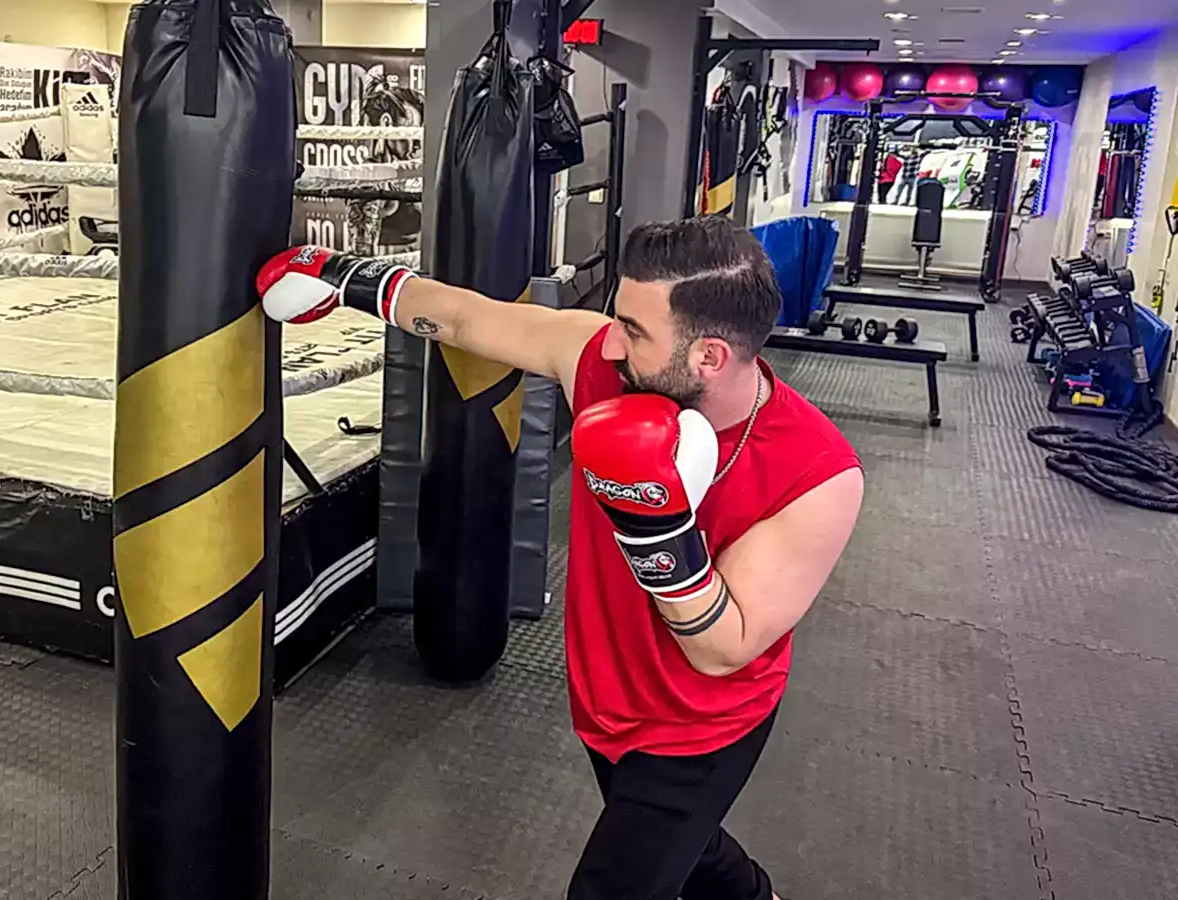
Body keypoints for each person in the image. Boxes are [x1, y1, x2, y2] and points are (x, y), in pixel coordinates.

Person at [256, 216, 865, 900]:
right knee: (691, 852)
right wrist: (340, 276)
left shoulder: (816, 474)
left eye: (634, 330)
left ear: (710, 357)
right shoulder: (599, 361)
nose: (611, 340)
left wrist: (659, 529)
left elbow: (723, 650)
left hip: (697, 728)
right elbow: (464, 318)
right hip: (603, 698)